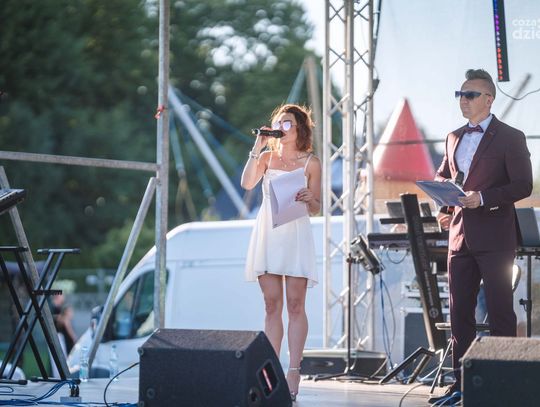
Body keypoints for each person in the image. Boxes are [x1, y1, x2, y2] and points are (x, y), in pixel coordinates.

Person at [429, 69, 533, 405]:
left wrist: (484, 198)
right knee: (459, 312)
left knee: (501, 311)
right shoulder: (452, 136)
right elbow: (443, 175)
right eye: (460, 94)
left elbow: (523, 185)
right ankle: (460, 383)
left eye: (470, 95)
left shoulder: (511, 137)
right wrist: (443, 207)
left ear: (488, 99)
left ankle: (503, 383)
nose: (463, 100)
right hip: (459, 236)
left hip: (495, 235)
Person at [241, 104, 321, 401]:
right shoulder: (266, 158)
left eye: (286, 123)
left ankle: (294, 370)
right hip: (269, 234)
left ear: (299, 128)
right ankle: (271, 372)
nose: (281, 128)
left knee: (296, 305)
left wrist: (310, 198)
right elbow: (247, 183)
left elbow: (316, 207)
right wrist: (258, 146)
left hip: (296, 235)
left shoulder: (311, 162)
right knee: (271, 305)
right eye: (277, 123)